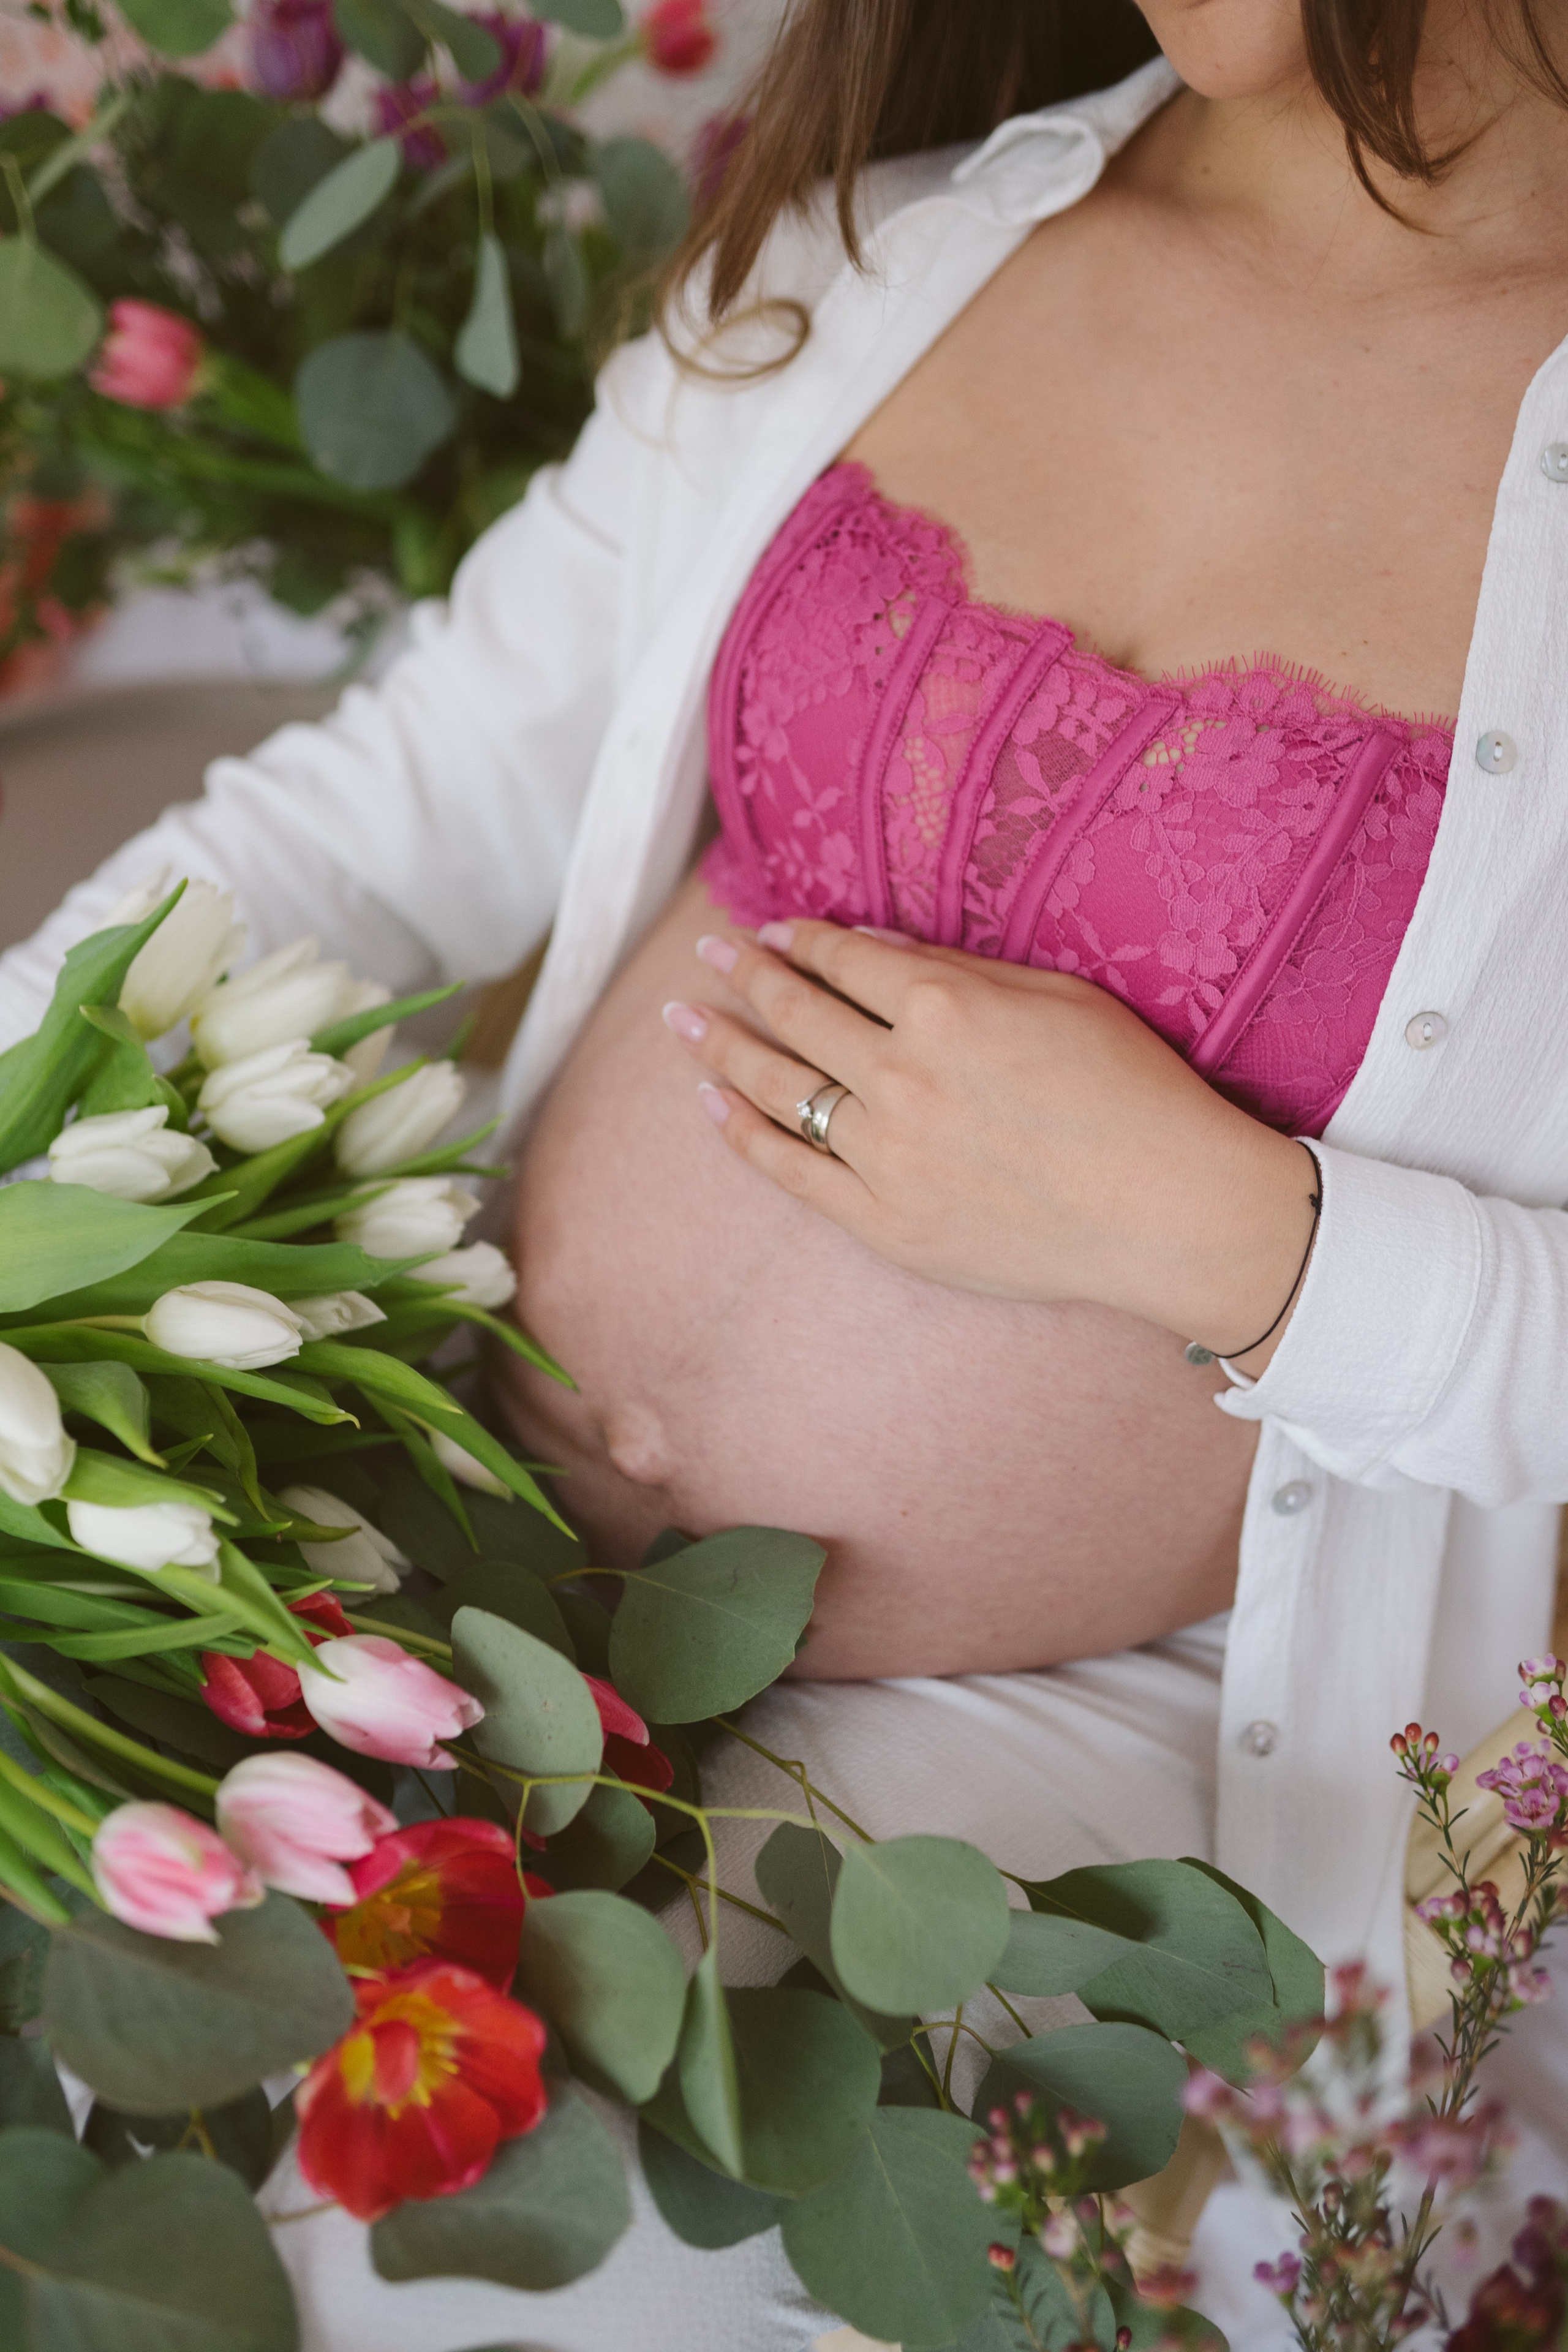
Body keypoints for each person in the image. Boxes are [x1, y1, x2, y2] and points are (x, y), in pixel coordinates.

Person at [6, 0, 1568, 2340]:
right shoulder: (873, 261)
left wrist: (1221, 1235)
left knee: (510, 2254)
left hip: (1057, 1721)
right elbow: (369, 825)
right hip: (442, 1530)